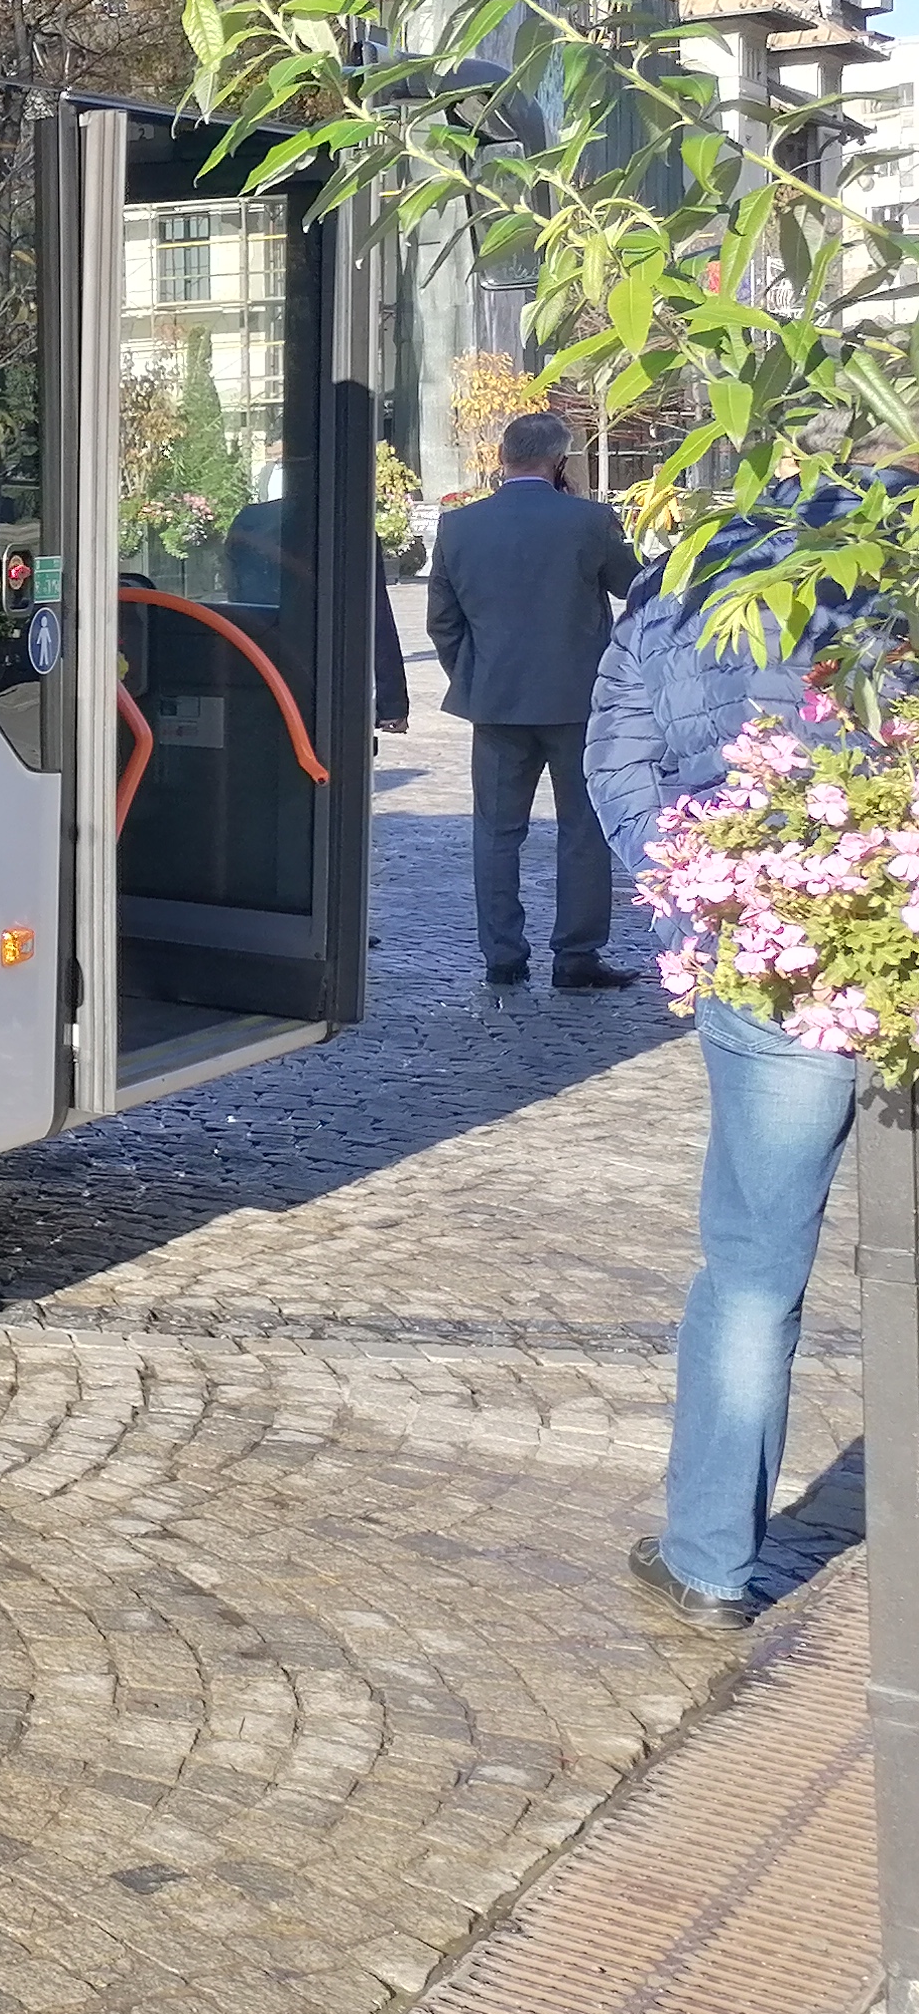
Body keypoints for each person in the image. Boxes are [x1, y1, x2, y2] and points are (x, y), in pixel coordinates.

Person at [586, 490, 864, 1628]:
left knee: (754, 1269)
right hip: (869, 930)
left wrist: (701, 900)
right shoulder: (889, 558)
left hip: (769, 949)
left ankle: (709, 1563)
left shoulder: (691, 567)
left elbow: (619, 757)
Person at [425, 412, 642, 989]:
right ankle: (576, 956)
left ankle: (502, 955)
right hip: (578, 701)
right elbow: (637, 589)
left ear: (503, 457)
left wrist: (475, 677)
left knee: (497, 833)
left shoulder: (459, 525)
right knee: (584, 829)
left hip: (496, 703)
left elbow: (442, 622)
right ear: (559, 461)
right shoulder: (590, 520)